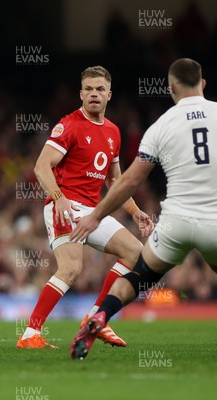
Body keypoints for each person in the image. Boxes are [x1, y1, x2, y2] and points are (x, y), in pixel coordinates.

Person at [70, 58, 217, 360]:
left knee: (140, 277)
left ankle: (100, 315)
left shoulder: (161, 126)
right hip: (214, 220)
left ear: (172, 87)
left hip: (175, 222)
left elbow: (127, 182)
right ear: (202, 84)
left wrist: (96, 215)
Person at [16, 66, 154, 349]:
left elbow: (116, 182)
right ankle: (30, 334)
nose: (94, 94)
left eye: (100, 89)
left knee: (135, 253)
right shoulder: (69, 125)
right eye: (89, 89)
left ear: (109, 95)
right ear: (81, 94)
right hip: (63, 206)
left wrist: (135, 211)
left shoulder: (114, 132)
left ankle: (95, 318)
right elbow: (41, 166)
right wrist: (58, 197)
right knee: (71, 269)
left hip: (93, 212)